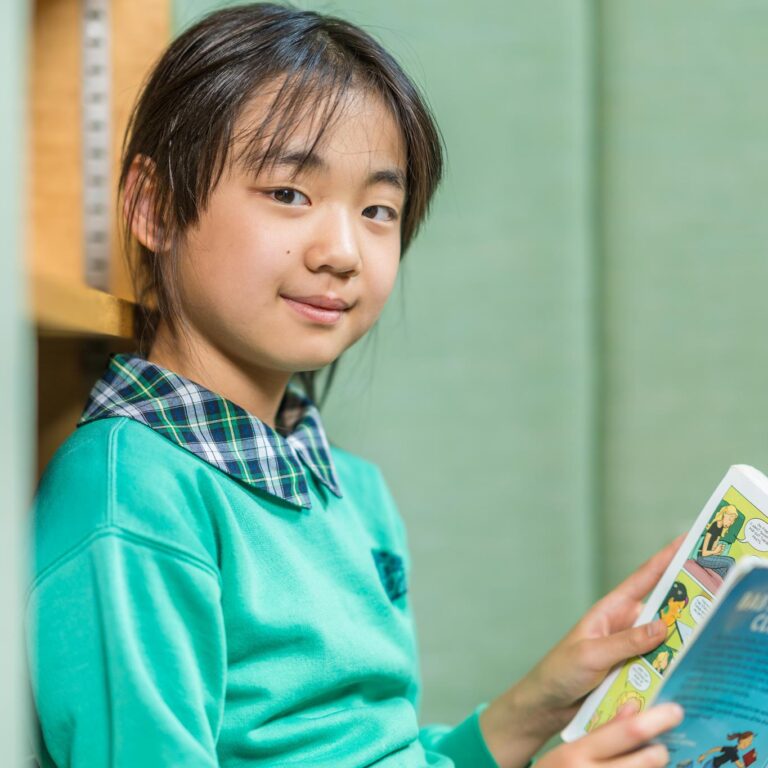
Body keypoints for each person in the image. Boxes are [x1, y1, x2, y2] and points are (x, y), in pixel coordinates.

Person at [26, 4, 684, 767]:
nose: (342, 251)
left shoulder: (350, 490)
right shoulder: (131, 494)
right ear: (154, 205)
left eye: (379, 210)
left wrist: (533, 707)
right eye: (289, 193)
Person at [697, 505, 740, 579]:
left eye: (733, 521)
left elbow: (713, 549)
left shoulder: (720, 528)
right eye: (730, 519)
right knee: (730, 562)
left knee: (725, 572)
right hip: (702, 558)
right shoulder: (714, 526)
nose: (731, 523)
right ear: (724, 515)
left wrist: (717, 550)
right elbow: (704, 553)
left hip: (709, 557)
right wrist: (714, 552)